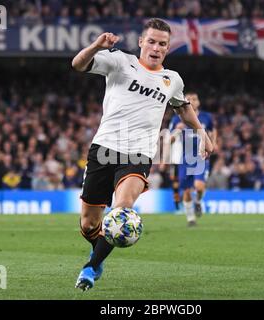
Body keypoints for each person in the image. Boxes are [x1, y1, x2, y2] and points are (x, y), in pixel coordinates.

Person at [71, 18, 213, 291]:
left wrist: (202, 133)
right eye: (152, 41)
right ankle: (98, 255)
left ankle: (90, 268)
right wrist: (97, 45)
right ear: (141, 42)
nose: (156, 47)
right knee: (90, 224)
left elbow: (182, 108)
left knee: (122, 210)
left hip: (138, 154)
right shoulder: (120, 62)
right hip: (104, 150)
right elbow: (77, 64)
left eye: (162, 44)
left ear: (168, 48)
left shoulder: (172, 80)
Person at [168, 92, 216, 226]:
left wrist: (213, 142)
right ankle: (191, 219)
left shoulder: (206, 117)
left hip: (201, 157)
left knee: (199, 187)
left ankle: (199, 202)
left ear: (198, 102)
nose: (191, 101)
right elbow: (169, 140)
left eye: (194, 99)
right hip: (185, 159)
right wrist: (176, 132)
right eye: (188, 99)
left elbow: (212, 131)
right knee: (187, 191)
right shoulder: (177, 119)